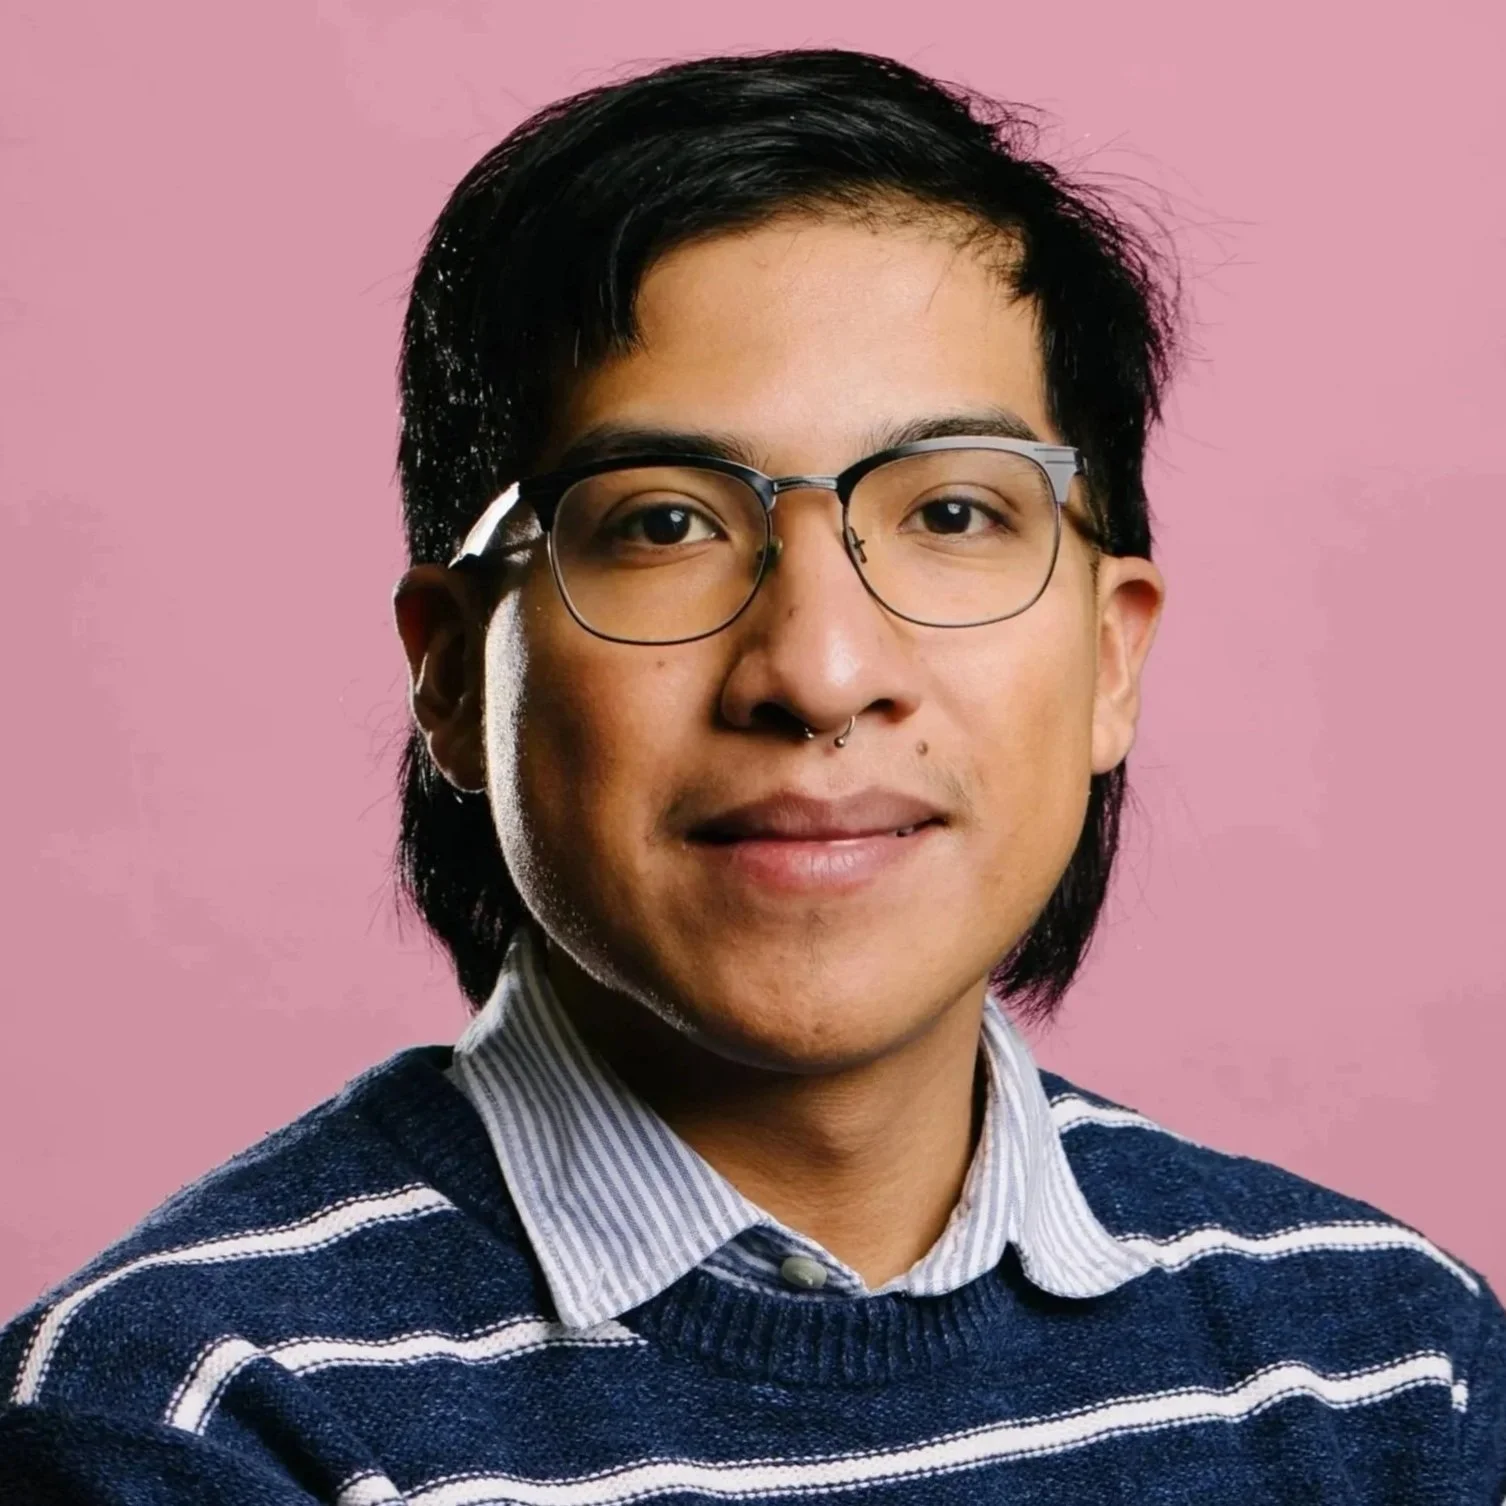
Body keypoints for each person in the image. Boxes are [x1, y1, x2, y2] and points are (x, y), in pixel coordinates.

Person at [1, 46, 1501, 1504]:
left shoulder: (1385, 1367)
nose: (820, 669)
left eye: (957, 510)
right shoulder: (187, 1415)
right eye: (661, 522)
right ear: (452, 672)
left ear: (1111, 657)